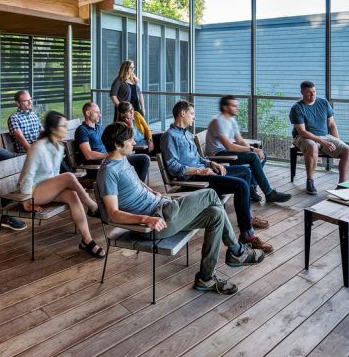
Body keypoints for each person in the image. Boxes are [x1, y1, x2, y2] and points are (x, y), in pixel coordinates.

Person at [97, 122, 264, 295]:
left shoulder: (122, 159)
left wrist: (152, 192)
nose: (133, 142)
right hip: (156, 221)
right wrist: (146, 219)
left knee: (216, 214)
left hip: (164, 207)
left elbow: (134, 182)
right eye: (129, 140)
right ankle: (236, 251)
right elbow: (113, 214)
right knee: (210, 195)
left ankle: (206, 278)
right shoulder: (108, 172)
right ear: (117, 144)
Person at [161, 101, 273, 253]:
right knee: (241, 185)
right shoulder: (169, 136)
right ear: (182, 113)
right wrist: (199, 171)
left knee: (245, 172)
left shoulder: (187, 134)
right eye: (192, 113)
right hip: (193, 179)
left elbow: (199, 158)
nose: (194, 117)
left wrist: (211, 163)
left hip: (205, 173)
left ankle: (248, 217)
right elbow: (173, 167)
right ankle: (247, 236)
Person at [17, 111, 106, 258]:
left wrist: (61, 186)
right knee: (69, 176)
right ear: (53, 129)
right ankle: (92, 205)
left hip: (46, 189)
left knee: (72, 195)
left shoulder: (59, 147)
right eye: (63, 126)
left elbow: (53, 175)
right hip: (32, 191)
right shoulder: (38, 147)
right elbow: (27, 175)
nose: (66, 128)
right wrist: (26, 201)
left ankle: (87, 241)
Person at [206, 96, 291, 204]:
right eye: (234, 106)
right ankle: (269, 193)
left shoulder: (231, 120)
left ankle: (252, 187)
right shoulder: (218, 121)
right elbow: (229, 146)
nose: (237, 108)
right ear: (225, 107)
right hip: (218, 156)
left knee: (262, 154)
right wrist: (251, 150)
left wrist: (255, 149)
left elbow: (240, 140)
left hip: (228, 152)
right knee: (253, 156)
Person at [289, 81, 349, 196]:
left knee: (348, 151)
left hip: (325, 136)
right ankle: (310, 181)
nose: (312, 95)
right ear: (302, 92)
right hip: (303, 137)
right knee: (312, 146)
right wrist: (322, 141)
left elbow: (332, 125)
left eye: (314, 91)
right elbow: (302, 132)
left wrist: (338, 142)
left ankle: (342, 186)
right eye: (309, 92)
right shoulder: (297, 108)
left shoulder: (323, 102)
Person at [74, 102, 150, 181]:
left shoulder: (99, 127)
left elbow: (112, 142)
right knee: (143, 160)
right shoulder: (82, 130)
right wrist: (110, 155)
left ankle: (136, 187)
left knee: (144, 159)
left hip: (111, 160)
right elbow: (88, 155)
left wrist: (121, 150)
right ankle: (134, 188)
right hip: (101, 164)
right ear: (88, 113)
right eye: (97, 112)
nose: (100, 115)